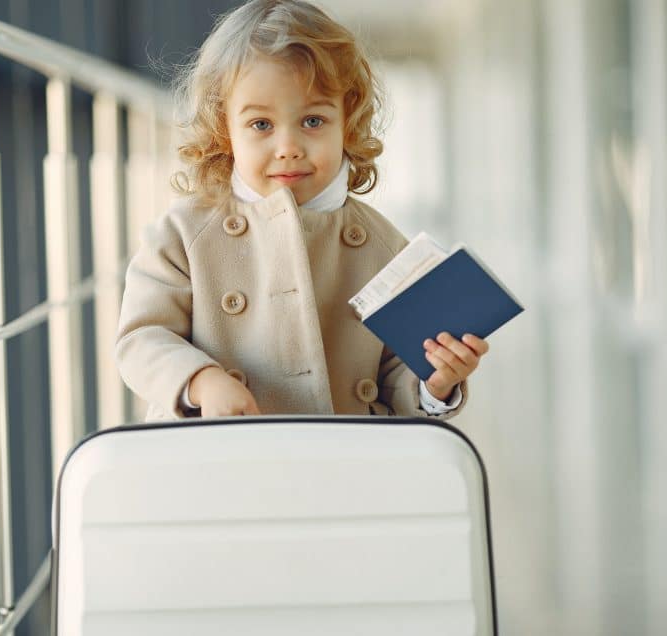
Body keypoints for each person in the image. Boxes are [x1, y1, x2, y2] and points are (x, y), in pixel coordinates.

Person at [115, 0, 489, 420]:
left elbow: (397, 375)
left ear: (347, 122)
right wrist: (201, 381)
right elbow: (142, 338)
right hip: (218, 458)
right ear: (224, 129)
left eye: (313, 121)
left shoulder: (385, 247)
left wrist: (435, 381)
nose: (289, 147)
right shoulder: (183, 234)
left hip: (342, 467)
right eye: (261, 125)